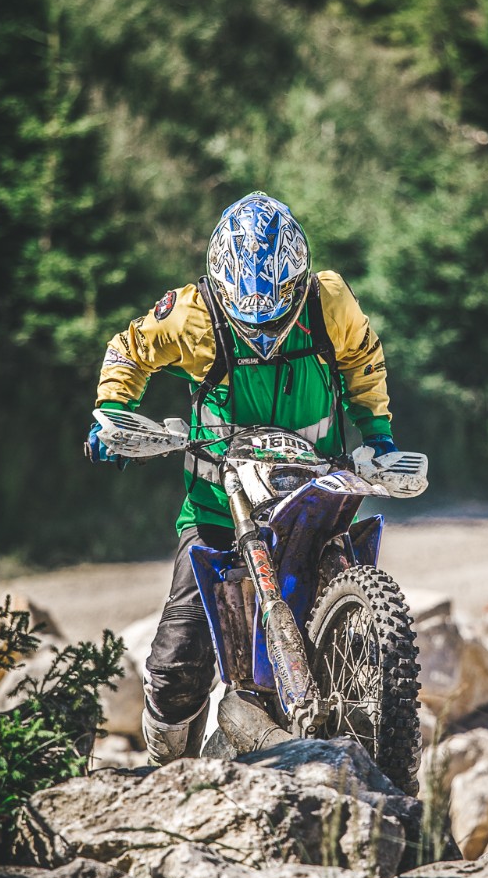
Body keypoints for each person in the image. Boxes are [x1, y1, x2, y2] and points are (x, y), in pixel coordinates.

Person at [85, 191, 406, 766]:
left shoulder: (328, 302)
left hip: (312, 494)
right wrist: (110, 413)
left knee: (358, 627)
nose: (262, 332)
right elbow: (129, 349)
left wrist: (377, 432)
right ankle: (167, 771)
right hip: (218, 506)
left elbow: (363, 358)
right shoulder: (192, 314)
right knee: (177, 664)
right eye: (249, 319)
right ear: (221, 289)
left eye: (277, 316)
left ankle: (378, 742)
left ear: (298, 285)